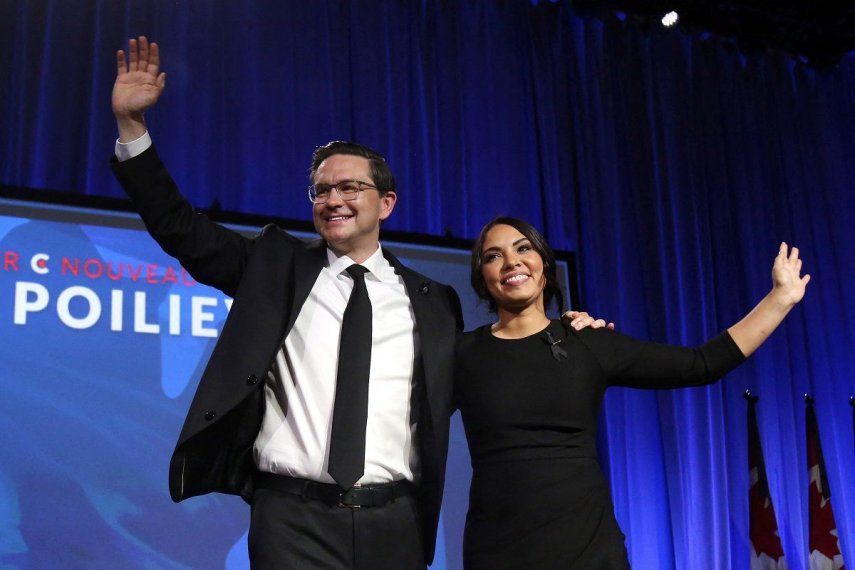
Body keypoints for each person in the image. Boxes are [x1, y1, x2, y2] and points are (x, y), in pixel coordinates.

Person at [109, 37, 606, 568]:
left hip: (394, 524)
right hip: (290, 521)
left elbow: (491, 367)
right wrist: (133, 131)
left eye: (349, 188)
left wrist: (561, 334)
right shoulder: (275, 267)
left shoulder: (433, 302)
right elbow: (182, 229)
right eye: (320, 191)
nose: (332, 201)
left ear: (385, 203)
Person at [454, 217, 810, 569]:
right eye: (493, 256)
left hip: (588, 553)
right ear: (482, 279)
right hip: (497, 552)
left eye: (523, 248)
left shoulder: (587, 341)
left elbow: (701, 364)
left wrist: (780, 299)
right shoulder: (463, 354)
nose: (512, 261)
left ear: (544, 263)